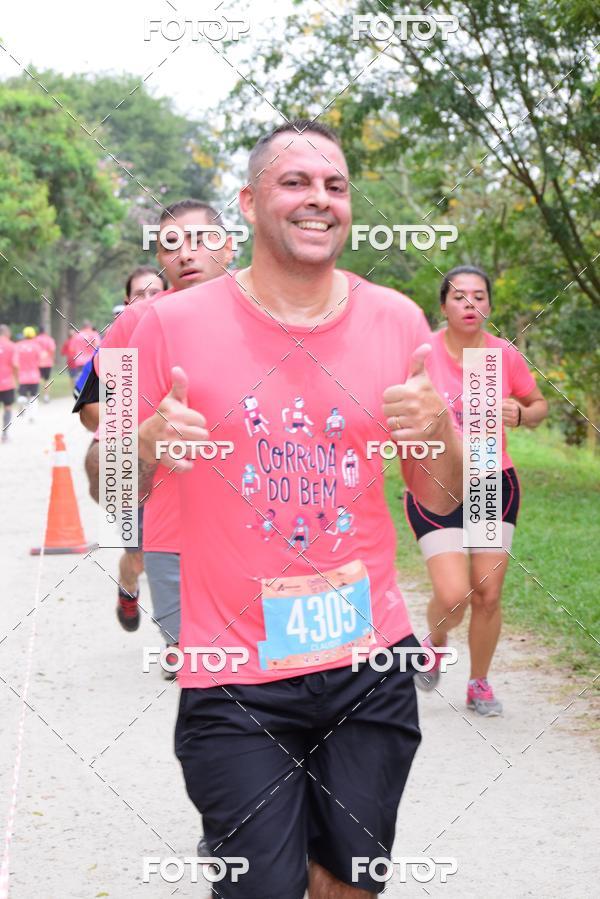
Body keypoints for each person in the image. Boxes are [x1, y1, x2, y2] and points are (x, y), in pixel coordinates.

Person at [132, 120, 462, 899]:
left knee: (350, 885)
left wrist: (441, 430)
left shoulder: (397, 321)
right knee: (263, 889)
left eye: (335, 186)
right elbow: (111, 480)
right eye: (296, 183)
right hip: (233, 671)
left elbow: (439, 498)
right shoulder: (168, 325)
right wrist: (143, 441)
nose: (319, 200)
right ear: (248, 202)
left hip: (369, 657)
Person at [74, 213, 232, 653]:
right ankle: (133, 589)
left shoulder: (273, 310)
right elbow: (109, 456)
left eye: (202, 239)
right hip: (167, 519)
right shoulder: (132, 329)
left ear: (230, 246)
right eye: (171, 244)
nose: (186, 252)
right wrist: (143, 443)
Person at [404, 265, 548, 716]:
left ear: (489, 305)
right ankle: (436, 641)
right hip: (435, 481)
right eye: (459, 296)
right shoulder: (421, 352)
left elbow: (538, 404)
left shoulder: (501, 355)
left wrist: (522, 416)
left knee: (487, 593)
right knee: (453, 595)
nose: (470, 305)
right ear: (443, 305)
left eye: (479, 296)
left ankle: (479, 682)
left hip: (490, 479)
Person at [15, 326, 42, 422]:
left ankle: (22, 403)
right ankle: (32, 417)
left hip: (22, 376)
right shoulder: (37, 346)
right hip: (34, 376)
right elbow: (40, 360)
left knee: (21, 396)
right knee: (34, 396)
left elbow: (15, 362)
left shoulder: (18, 346)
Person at [0, 325, 18, 442]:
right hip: (7, 382)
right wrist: (16, 378)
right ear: (7, 333)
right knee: (7, 407)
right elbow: (15, 364)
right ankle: (5, 434)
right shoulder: (12, 346)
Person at [35, 326, 56, 402]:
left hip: (38, 363)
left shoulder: (35, 339)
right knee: (47, 380)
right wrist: (53, 359)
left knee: (38, 379)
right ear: (45, 332)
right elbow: (52, 350)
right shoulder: (49, 339)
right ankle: (46, 397)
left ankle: (36, 395)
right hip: (47, 362)